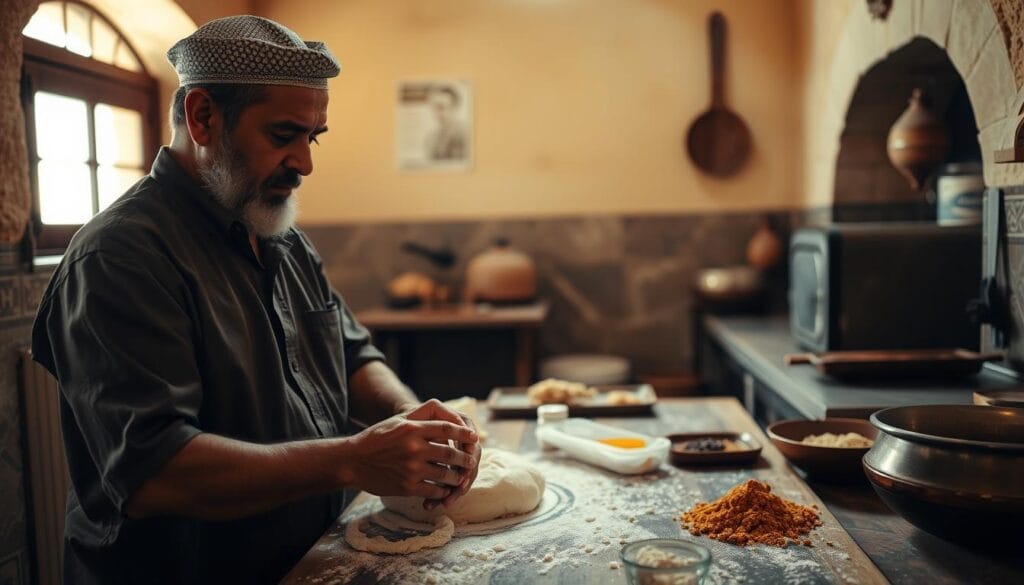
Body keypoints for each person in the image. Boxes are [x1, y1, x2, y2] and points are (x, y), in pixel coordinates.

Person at [31, 15, 481, 585]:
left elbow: (351, 355)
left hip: (303, 561)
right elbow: (157, 471)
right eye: (283, 135)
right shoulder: (119, 258)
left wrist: (411, 422)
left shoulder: (279, 236)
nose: (305, 163)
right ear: (203, 117)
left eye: (312, 138)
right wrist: (354, 459)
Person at [425, 84, 467, 161]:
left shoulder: (465, 135)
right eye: (434, 107)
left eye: (441, 107)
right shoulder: (431, 138)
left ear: (455, 108)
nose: (437, 113)